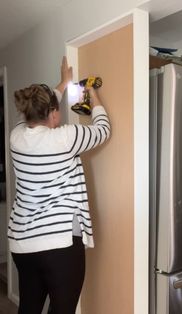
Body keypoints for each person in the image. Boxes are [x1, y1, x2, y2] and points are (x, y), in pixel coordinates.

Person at [8, 56, 111, 314]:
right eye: (57, 111)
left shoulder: (16, 136)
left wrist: (63, 84)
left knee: (29, 307)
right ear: (53, 113)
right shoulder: (66, 138)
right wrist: (92, 94)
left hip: (23, 243)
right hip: (59, 245)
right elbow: (103, 129)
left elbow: (37, 111)